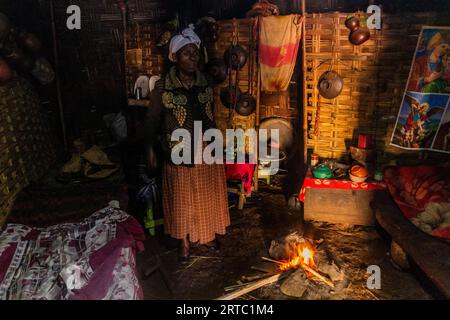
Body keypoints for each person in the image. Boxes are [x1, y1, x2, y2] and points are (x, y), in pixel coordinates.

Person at [144, 26, 230, 262]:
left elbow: (212, 113)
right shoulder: (164, 86)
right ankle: (183, 241)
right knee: (183, 197)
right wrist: (150, 148)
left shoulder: (205, 82)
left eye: (194, 52)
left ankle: (206, 235)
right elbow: (151, 120)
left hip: (205, 146)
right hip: (178, 149)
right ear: (174, 57)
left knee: (205, 193)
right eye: (185, 53)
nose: (191, 57)